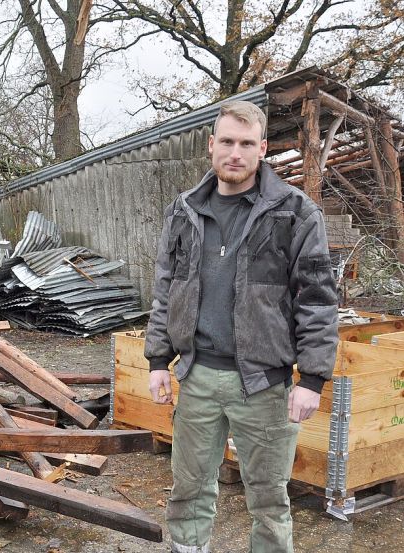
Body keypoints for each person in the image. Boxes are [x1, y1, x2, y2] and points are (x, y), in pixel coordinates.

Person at [144, 100, 339, 553]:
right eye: (227, 141)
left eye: (247, 143)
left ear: (263, 148)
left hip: (264, 385)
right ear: (211, 145)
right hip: (198, 378)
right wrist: (157, 360)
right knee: (188, 490)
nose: (236, 152)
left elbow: (317, 299)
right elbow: (165, 289)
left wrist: (311, 378)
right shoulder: (184, 211)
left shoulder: (295, 212)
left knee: (269, 499)